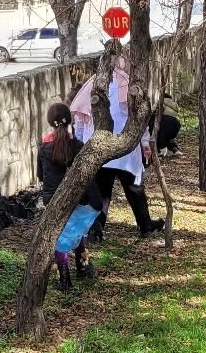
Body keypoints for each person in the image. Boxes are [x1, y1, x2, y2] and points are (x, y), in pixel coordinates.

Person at [67, 71, 163, 240]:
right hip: (126, 150)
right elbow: (139, 120)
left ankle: (96, 230)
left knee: (102, 193)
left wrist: (82, 146)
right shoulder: (128, 85)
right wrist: (146, 143)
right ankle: (145, 226)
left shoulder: (93, 85)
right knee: (135, 190)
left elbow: (82, 120)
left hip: (98, 148)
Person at [38, 102, 103, 291]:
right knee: (73, 230)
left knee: (62, 234)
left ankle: (63, 276)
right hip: (76, 199)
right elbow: (86, 177)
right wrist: (95, 200)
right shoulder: (77, 145)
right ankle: (82, 265)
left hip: (53, 200)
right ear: (70, 121)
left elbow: (40, 175)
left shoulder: (43, 147)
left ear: (50, 122)